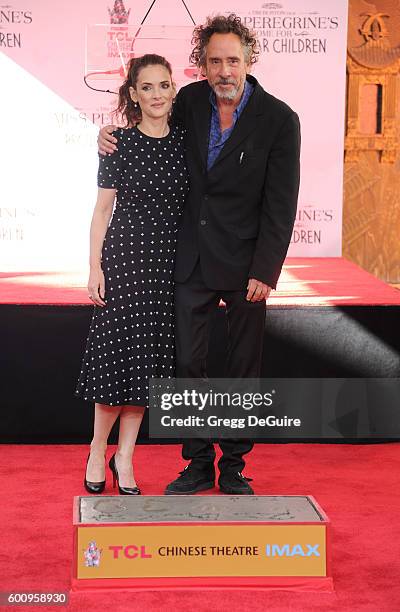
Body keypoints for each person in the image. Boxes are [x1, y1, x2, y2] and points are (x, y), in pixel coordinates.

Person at [99, 14, 301, 496]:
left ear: (249, 60)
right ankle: (196, 463)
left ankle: (233, 464)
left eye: (233, 60)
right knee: (187, 364)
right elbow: (149, 127)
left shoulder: (279, 119)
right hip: (187, 260)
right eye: (214, 61)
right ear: (202, 66)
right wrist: (109, 137)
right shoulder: (187, 101)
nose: (224, 70)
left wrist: (266, 270)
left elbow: (281, 202)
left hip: (247, 266)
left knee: (240, 369)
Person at [76, 54, 189, 495]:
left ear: (173, 90)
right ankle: (96, 448)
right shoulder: (117, 143)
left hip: (166, 269)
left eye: (164, 85)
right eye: (147, 87)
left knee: (147, 367)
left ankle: (125, 457)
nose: (157, 94)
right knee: (116, 364)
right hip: (124, 264)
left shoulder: (184, 142)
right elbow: (103, 210)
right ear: (133, 94)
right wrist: (94, 266)